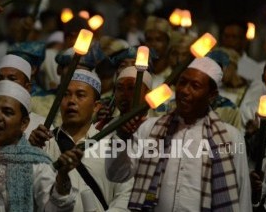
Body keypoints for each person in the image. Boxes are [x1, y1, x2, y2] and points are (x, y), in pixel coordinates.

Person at [106, 57, 252, 211]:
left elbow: (242, 198)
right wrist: (121, 136)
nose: (184, 91)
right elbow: (117, 175)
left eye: (195, 86)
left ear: (212, 95)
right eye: (182, 83)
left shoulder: (231, 137)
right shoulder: (150, 128)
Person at [0, 80, 81, 211]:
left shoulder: (37, 164)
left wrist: (63, 178)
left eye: (7, 112)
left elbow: (55, 209)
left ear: (24, 123)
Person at [29, 69, 133, 211]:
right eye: (66, 95)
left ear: (96, 107)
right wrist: (31, 149)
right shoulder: (44, 143)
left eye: (80, 95)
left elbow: (125, 195)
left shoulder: (110, 145)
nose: (71, 101)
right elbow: (31, 191)